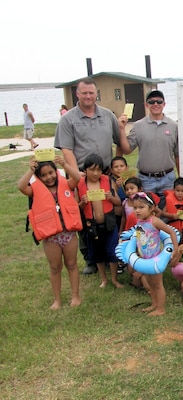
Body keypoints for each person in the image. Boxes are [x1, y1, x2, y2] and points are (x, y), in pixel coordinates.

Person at [54, 77, 124, 274]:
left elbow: (118, 141)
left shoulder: (108, 115)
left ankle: (113, 256)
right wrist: (78, 178)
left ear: (96, 93)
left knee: (110, 215)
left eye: (91, 93)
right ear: (77, 94)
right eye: (84, 93)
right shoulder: (68, 119)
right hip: (82, 176)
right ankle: (91, 259)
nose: (88, 96)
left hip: (105, 175)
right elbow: (67, 151)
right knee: (86, 216)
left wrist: (116, 166)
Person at [18, 156, 83, 309]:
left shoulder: (66, 184)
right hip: (51, 237)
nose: (49, 177)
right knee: (55, 267)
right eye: (44, 175)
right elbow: (21, 187)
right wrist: (30, 170)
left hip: (68, 234)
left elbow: (77, 177)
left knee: (72, 264)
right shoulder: (34, 190)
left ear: (56, 172)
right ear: (38, 177)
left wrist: (64, 164)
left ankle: (75, 296)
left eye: (51, 173)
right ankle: (57, 300)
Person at [118, 90, 178, 207]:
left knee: (168, 211)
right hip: (146, 179)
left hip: (168, 178)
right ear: (146, 105)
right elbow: (127, 149)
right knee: (146, 213)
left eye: (159, 101)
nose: (155, 104)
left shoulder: (173, 126)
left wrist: (181, 179)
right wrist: (121, 129)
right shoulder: (138, 125)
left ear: (164, 104)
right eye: (152, 102)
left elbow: (178, 155)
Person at [128, 192, 179, 316]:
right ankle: (154, 304)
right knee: (150, 283)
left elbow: (171, 232)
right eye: (135, 208)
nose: (137, 211)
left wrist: (175, 249)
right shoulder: (139, 221)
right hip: (144, 258)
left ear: (151, 208)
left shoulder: (155, 221)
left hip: (154, 259)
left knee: (157, 284)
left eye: (141, 207)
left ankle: (161, 309)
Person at [76, 154, 122, 288]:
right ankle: (104, 279)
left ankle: (114, 279)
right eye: (92, 170)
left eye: (99, 170)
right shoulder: (80, 183)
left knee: (112, 251)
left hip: (109, 222)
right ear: (85, 170)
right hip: (92, 224)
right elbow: (76, 207)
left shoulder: (107, 180)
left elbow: (118, 201)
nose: (96, 173)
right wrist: (83, 203)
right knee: (97, 252)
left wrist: (111, 198)